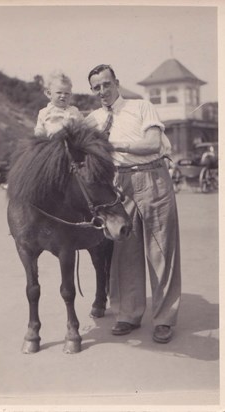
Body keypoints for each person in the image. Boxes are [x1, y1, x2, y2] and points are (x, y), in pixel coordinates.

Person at [86, 64, 181, 343]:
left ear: (116, 82)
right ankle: (128, 314)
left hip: (153, 178)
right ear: (92, 91)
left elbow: (152, 143)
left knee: (161, 251)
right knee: (124, 251)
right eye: (96, 87)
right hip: (119, 185)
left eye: (106, 84)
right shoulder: (92, 119)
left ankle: (164, 319)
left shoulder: (142, 107)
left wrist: (114, 146)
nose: (102, 91)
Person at [34, 70, 84, 138]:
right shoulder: (44, 112)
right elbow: (39, 128)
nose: (63, 96)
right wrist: (39, 133)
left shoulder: (74, 111)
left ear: (70, 95)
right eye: (59, 92)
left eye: (66, 93)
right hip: (52, 143)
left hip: (71, 143)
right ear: (49, 94)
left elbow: (83, 126)